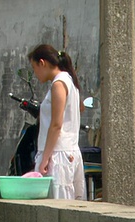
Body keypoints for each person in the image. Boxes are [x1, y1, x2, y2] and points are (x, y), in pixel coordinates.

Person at [28, 44, 85, 200]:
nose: (35, 73)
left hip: (59, 154)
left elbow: (56, 124)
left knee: (58, 203)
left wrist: (45, 158)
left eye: (34, 68)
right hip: (68, 151)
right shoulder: (68, 81)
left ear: (42, 62)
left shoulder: (58, 84)